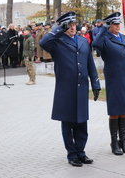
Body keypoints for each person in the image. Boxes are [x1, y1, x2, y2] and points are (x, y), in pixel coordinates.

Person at [39, 11, 101, 167]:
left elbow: (90, 64)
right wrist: (59, 28)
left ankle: (81, 152)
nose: (73, 28)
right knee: (68, 122)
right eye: (69, 25)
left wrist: (95, 83)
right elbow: (43, 43)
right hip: (66, 88)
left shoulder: (82, 41)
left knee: (82, 121)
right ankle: (72, 154)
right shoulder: (57, 41)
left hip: (81, 87)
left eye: (74, 24)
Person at [92, 12, 125, 156]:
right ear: (109, 25)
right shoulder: (105, 38)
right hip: (114, 79)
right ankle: (114, 142)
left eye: (119, 24)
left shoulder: (123, 38)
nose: (118, 26)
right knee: (114, 111)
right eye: (115, 24)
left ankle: (122, 141)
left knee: (124, 110)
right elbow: (95, 44)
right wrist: (103, 30)